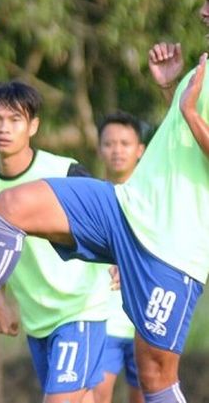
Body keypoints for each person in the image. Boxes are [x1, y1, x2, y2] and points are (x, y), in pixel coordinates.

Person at [0, 0, 209, 403]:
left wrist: (187, 111)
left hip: (171, 248)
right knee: (14, 204)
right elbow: (183, 146)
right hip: (128, 208)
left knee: (155, 378)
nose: (202, 9)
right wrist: (173, 93)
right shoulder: (201, 68)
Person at [0, 81, 108, 403]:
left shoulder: (64, 170)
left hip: (80, 309)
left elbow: (108, 217)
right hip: (36, 319)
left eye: (15, 120)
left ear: (33, 126)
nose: (4, 128)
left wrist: (118, 261)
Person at [94, 112, 145, 403]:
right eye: (109, 143)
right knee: (98, 394)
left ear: (140, 149)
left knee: (146, 395)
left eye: (125, 143)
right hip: (103, 317)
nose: (117, 150)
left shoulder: (153, 195)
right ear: (99, 148)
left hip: (145, 318)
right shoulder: (91, 195)